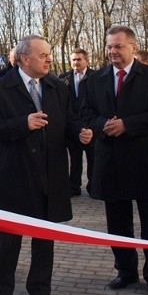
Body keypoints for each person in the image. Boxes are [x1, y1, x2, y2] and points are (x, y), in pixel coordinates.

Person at [0, 35, 93, 295]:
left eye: (49, 54)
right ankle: (2, 293)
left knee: (44, 240)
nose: (50, 59)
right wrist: (23, 124)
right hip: (15, 178)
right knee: (9, 240)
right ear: (24, 59)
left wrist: (79, 133)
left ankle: (40, 292)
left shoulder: (58, 87)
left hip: (50, 177)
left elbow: (69, 121)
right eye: (43, 55)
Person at [80, 25, 148, 295]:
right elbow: (84, 112)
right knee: (117, 222)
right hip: (110, 160)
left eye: (118, 46)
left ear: (132, 47)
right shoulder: (95, 79)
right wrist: (103, 124)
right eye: (109, 47)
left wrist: (127, 125)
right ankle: (125, 270)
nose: (112, 51)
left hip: (144, 161)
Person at [61, 48, 95, 196]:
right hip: (72, 126)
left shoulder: (95, 77)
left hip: (90, 125)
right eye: (73, 59)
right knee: (75, 158)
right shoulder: (64, 79)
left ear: (86, 61)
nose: (76, 62)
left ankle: (93, 186)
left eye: (79, 59)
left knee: (92, 157)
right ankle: (74, 186)